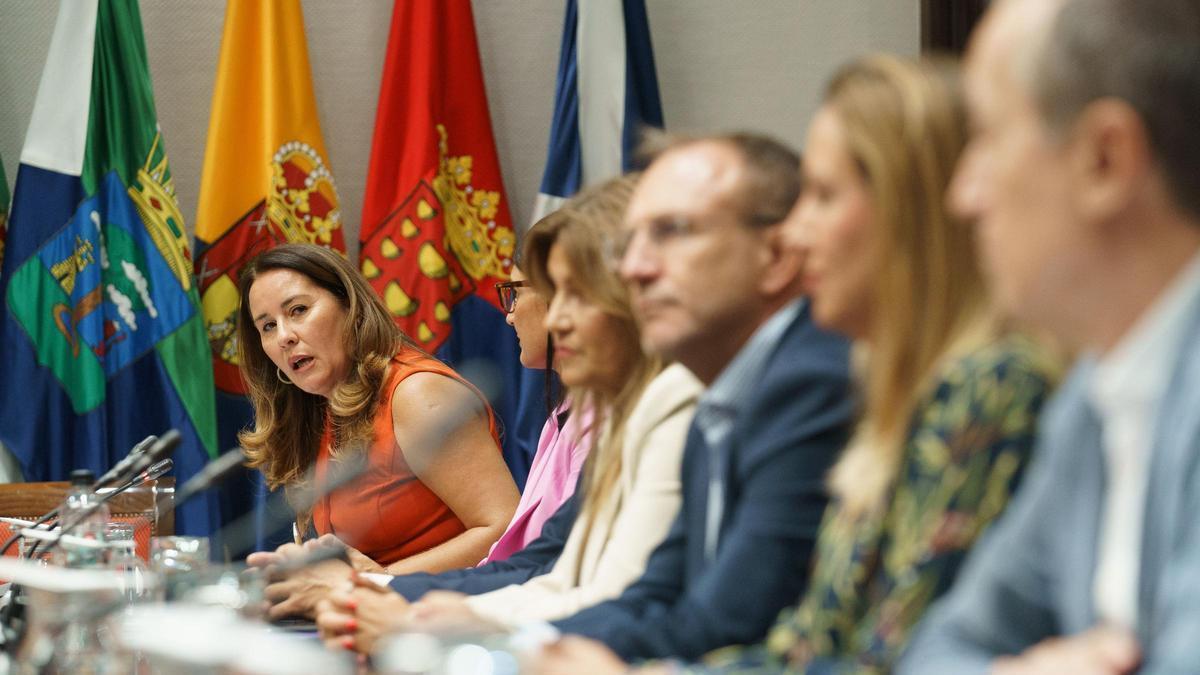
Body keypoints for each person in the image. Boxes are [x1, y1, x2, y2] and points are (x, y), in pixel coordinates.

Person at [537, 54, 1060, 675]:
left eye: (822, 196)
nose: (796, 232)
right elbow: (810, 641)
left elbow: (889, 660)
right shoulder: (887, 389)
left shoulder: (987, 385)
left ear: (913, 207)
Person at [897, 0, 1200, 673]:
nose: (961, 195)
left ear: (1104, 159)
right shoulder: (1090, 397)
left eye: (986, 136)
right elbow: (937, 650)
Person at [315, 175, 705, 652]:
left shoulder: (675, 402)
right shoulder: (602, 407)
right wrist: (394, 598)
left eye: (574, 296)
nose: (554, 320)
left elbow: (613, 594)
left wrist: (420, 616)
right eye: (266, 326)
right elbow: (551, 568)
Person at [524, 132, 854, 662]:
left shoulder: (810, 381)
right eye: (631, 243)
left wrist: (503, 653)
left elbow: (729, 621)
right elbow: (654, 596)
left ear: (776, 254)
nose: (634, 269)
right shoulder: (720, 395)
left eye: (672, 232)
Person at [236, 243, 519, 619]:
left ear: (349, 307)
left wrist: (377, 581)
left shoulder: (417, 394)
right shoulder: (322, 408)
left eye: (298, 310)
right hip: (369, 623)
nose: (285, 335)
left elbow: (504, 529)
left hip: (448, 624)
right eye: (268, 326)